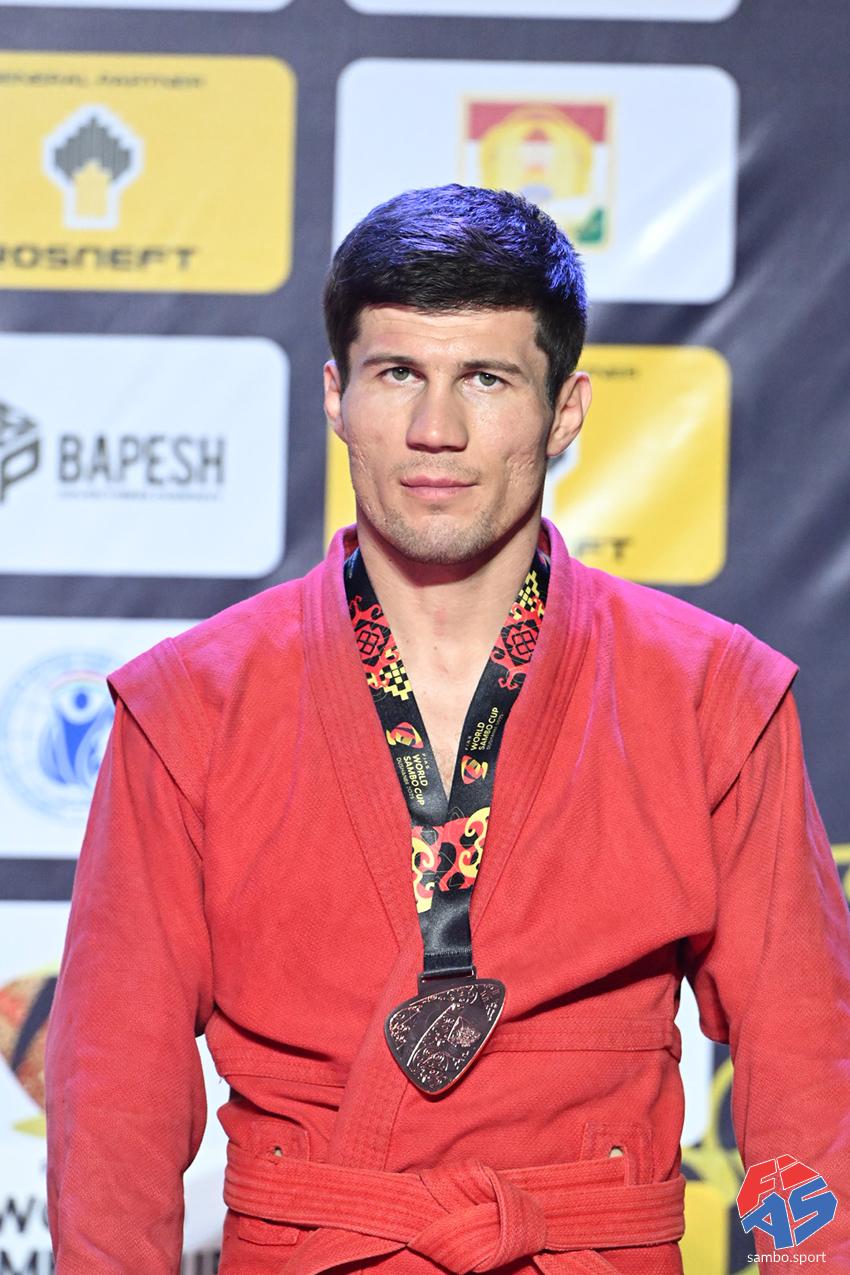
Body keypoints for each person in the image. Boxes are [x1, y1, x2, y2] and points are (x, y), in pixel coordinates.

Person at [45, 184, 850, 1274]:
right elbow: (114, 1100)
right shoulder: (190, 705)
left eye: (485, 377)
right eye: (396, 374)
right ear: (336, 396)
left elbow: (807, 1072)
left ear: (565, 409)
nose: (437, 429)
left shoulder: (713, 697)